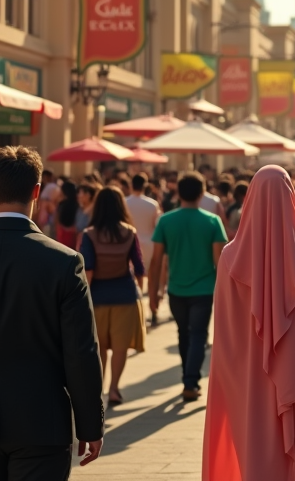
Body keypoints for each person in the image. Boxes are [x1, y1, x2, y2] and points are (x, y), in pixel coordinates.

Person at [0, 146, 104, 477]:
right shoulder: (64, 262)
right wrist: (90, 424)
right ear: (36, 191)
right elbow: (81, 351)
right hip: (41, 420)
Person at [202, 166, 295, 481]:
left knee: (254, 452)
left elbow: (224, 332)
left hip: (249, 379)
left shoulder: (229, 259)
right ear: (291, 198)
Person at [149, 171, 228, 402]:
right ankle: (190, 381)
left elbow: (156, 261)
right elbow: (220, 262)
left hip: (176, 289)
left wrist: (153, 293)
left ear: (177, 192)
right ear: (202, 193)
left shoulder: (166, 220)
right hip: (204, 289)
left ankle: (188, 377)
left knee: (183, 333)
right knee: (198, 335)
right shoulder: (212, 221)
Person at [80, 186, 147, 408]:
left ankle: (99, 391)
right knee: (119, 347)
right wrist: (142, 294)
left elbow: (87, 269)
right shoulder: (130, 232)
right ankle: (115, 389)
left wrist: (83, 300)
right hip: (125, 296)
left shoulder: (89, 234)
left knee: (99, 349)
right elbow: (138, 267)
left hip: (97, 297)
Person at [125, 172, 162, 325]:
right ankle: (153, 309)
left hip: (129, 243)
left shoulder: (124, 202)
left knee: (133, 278)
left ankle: (136, 310)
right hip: (149, 243)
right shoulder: (152, 204)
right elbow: (157, 225)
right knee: (152, 279)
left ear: (131, 185)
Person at [55, 180, 81, 250]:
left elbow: (57, 221)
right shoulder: (78, 205)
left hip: (62, 233)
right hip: (74, 234)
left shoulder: (61, 204)